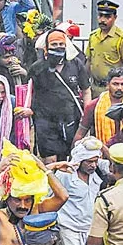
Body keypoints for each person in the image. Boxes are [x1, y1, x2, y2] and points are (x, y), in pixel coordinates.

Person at [0, 146, 69, 245]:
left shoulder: (37, 210)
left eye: (28, 200)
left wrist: (45, 170)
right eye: (17, 200)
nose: (23, 206)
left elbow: (63, 197)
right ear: (7, 198)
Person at [28, 26, 91, 162]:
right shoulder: (37, 68)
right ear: (47, 47)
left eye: (61, 44)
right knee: (50, 161)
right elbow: (29, 92)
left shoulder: (76, 64)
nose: (58, 47)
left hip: (70, 120)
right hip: (45, 122)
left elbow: (86, 90)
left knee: (68, 160)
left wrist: (86, 115)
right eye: (54, 44)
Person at [85, 0, 123, 97]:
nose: (102, 20)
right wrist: (84, 85)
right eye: (100, 16)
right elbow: (89, 61)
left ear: (115, 18)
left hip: (114, 90)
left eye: (107, 17)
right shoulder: (93, 36)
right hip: (94, 88)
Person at [72, 67, 123, 144]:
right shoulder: (93, 106)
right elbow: (81, 133)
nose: (119, 88)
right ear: (108, 84)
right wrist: (73, 153)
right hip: (100, 151)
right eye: (115, 84)